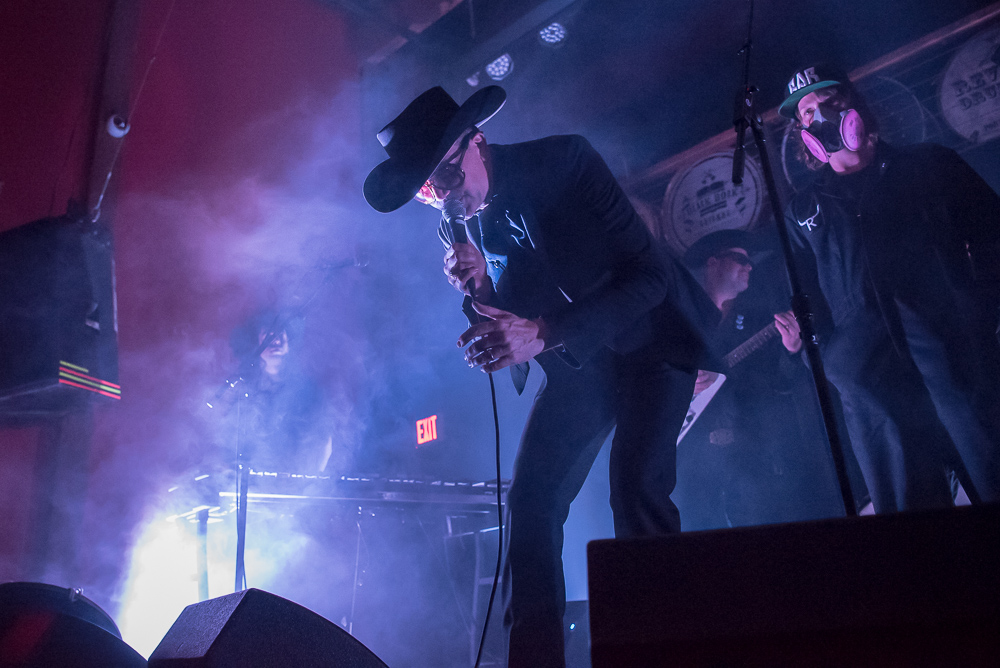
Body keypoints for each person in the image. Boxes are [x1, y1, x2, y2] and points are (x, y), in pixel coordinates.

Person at [363, 86, 714, 668]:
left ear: (474, 145)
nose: (444, 199)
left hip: (650, 342)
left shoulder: (564, 162)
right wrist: (477, 291)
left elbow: (651, 277)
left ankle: (666, 651)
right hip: (580, 364)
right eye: (429, 192)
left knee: (636, 489)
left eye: (446, 179)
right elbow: (506, 323)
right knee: (530, 505)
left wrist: (544, 332)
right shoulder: (454, 221)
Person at [779, 63, 1000, 513]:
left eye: (829, 103)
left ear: (856, 108)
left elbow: (992, 233)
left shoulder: (931, 165)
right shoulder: (803, 211)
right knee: (912, 536)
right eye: (807, 112)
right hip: (872, 386)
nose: (820, 116)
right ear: (803, 135)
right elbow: (804, 298)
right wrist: (822, 354)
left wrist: (980, 313)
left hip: (955, 359)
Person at [227, 311, 334, 474]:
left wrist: (313, 479)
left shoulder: (308, 390)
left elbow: (323, 440)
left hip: (296, 482)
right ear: (256, 343)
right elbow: (224, 438)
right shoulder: (243, 388)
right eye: (268, 335)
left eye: (280, 334)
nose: (276, 340)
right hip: (252, 482)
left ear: (289, 343)